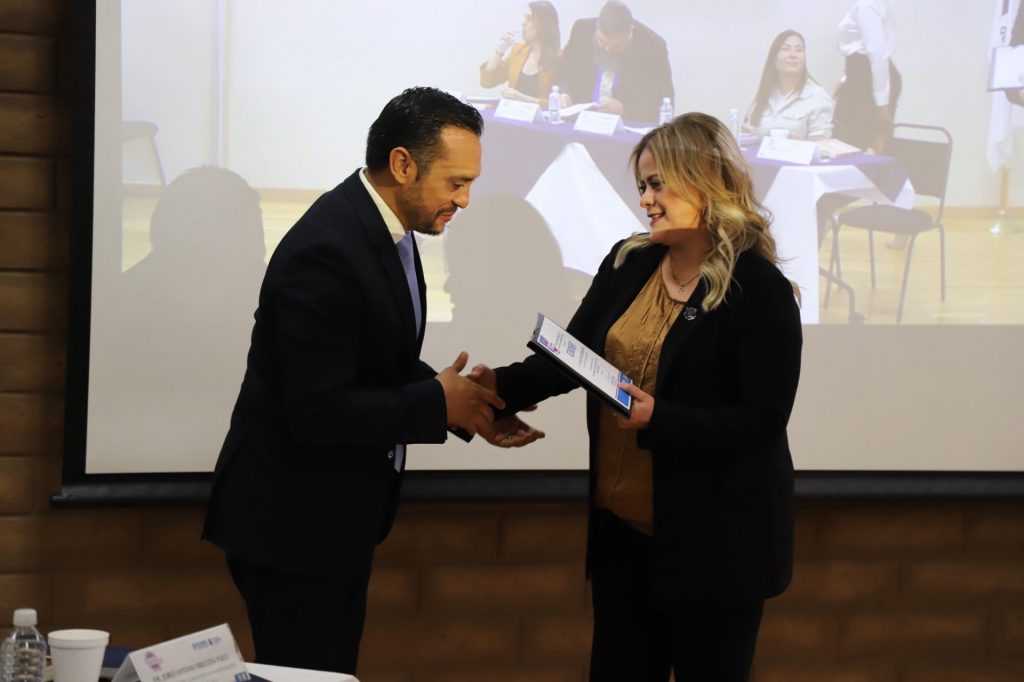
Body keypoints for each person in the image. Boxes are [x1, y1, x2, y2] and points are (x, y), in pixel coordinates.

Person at [472, 113, 802, 681]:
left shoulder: (758, 288)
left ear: (703, 182)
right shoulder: (631, 261)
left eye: (657, 184)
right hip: (623, 539)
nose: (645, 199)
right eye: (642, 186)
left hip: (715, 549)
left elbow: (761, 422)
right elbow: (572, 358)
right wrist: (496, 389)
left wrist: (661, 419)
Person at [202, 87, 519, 676]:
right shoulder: (327, 249)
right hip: (293, 528)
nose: (465, 200)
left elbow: (375, 357)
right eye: (456, 182)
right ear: (403, 165)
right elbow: (317, 411)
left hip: (334, 522)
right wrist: (437, 402)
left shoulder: (385, 227)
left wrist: (469, 405)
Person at [556, 0, 673, 123]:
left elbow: (663, 100)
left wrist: (625, 108)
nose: (608, 50)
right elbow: (564, 71)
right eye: (602, 42)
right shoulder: (582, 30)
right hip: (580, 119)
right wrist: (564, 93)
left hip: (628, 124)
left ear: (630, 33)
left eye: (617, 46)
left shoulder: (653, 48)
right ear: (597, 27)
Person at [833, 0, 901, 153]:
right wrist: (845, 79)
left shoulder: (868, 5)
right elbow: (861, 49)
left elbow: (877, 55)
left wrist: (881, 106)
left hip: (870, 82)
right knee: (848, 143)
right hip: (862, 77)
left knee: (860, 146)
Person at [743, 30, 834, 140]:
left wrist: (800, 141)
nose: (793, 55)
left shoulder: (817, 96)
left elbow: (823, 144)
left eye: (799, 50)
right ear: (774, 59)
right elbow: (748, 133)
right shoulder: (761, 95)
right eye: (786, 49)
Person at [479, 1, 561, 103]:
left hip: (541, 113)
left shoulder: (560, 57)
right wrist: (500, 50)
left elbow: (560, 103)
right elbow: (487, 82)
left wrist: (523, 98)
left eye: (529, 19)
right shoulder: (518, 50)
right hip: (512, 111)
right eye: (524, 18)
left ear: (544, 24)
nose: (523, 23)